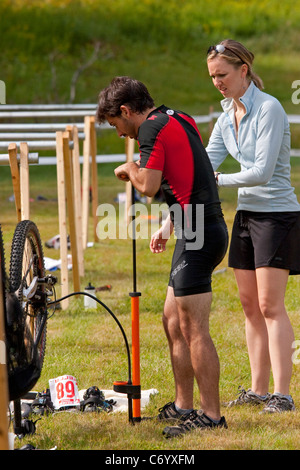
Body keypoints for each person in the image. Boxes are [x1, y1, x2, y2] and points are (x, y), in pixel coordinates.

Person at [96, 76, 228, 437]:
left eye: (117, 125)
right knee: (172, 320)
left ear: (126, 111)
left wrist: (130, 170)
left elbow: (149, 186)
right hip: (195, 227)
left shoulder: (151, 130)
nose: (122, 134)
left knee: (193, 328)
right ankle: (184, 406)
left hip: (201, 233)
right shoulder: (178, 117)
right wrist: (168, 227)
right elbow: (187, 176)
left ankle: (212, 417)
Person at [206, 39, 300, 413]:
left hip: (277, 215)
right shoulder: (225, 114)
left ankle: (283, 394)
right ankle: (258, 390)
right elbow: (205, 161)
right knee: (249, 305)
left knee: (270, 305)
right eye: (212, 76)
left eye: (223, 75)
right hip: (246, 216)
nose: (218, 82)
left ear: (244, 70)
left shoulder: (271, 109)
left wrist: (214, 180)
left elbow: (260, 173)